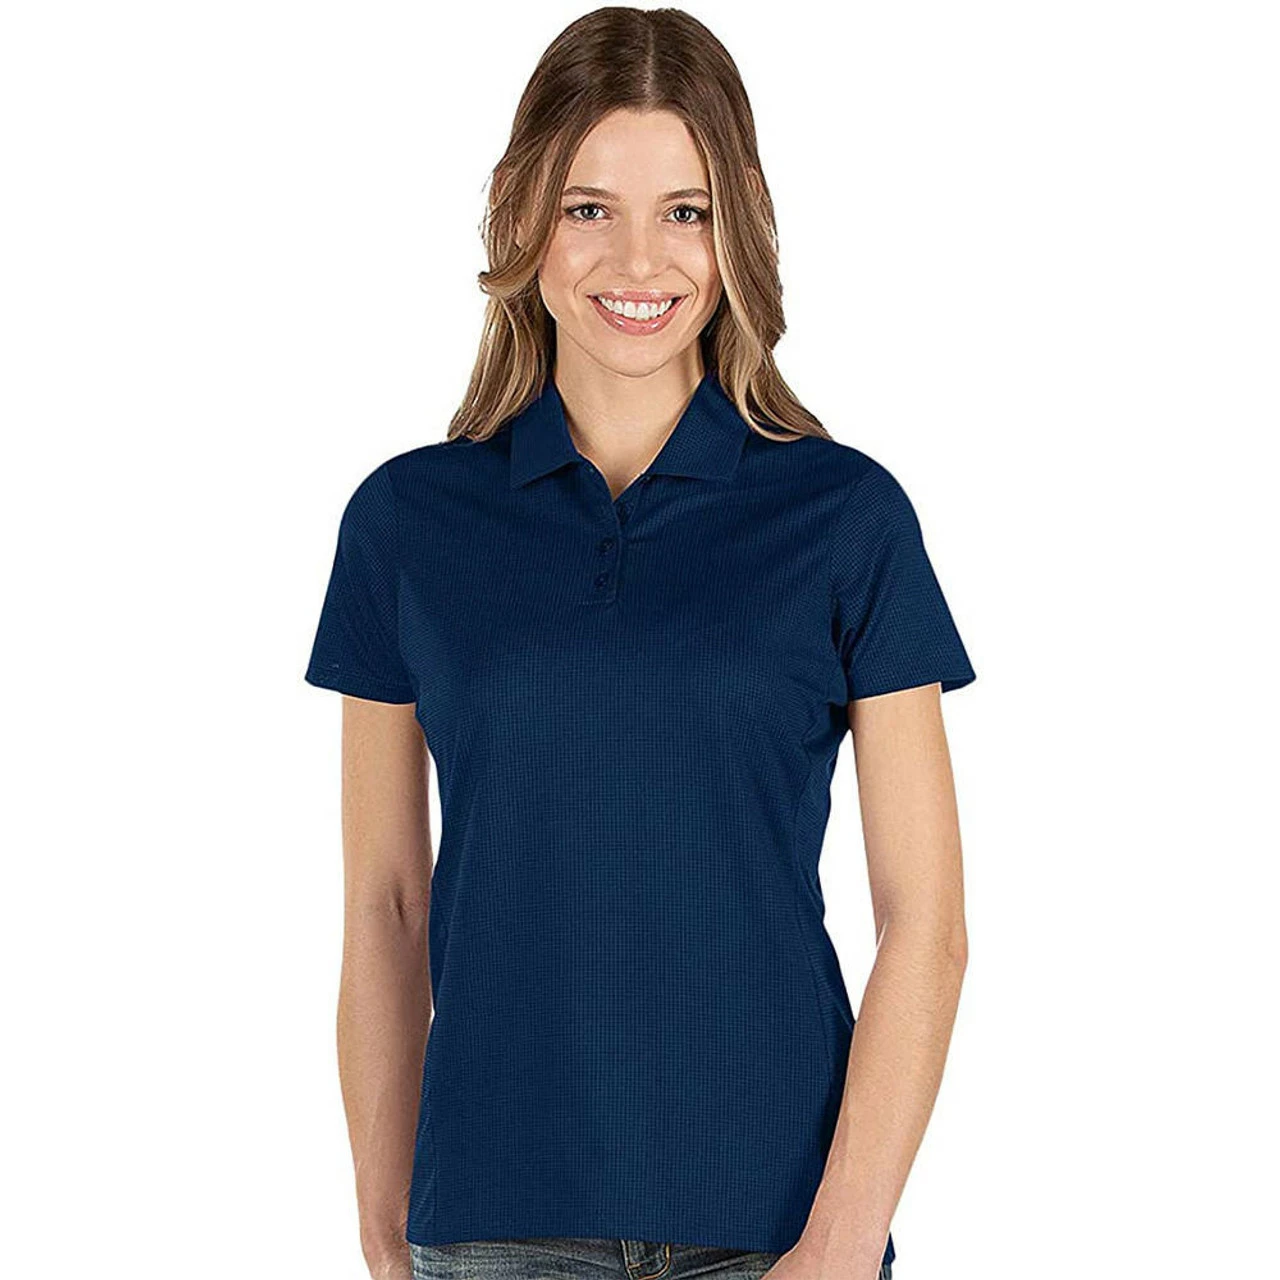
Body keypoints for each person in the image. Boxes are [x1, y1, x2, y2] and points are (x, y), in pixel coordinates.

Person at [304, 9, 976, 1280]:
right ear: (517, 210)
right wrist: (387, 1237)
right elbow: (386, 906)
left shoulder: (846, 517)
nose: (637, 258)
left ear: (741, 223)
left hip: (776, 1223)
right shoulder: (405, 523)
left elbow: (924, 920)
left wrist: (836, 1246)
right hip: (494, 1220)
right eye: (586, 207)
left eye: (684, 210)